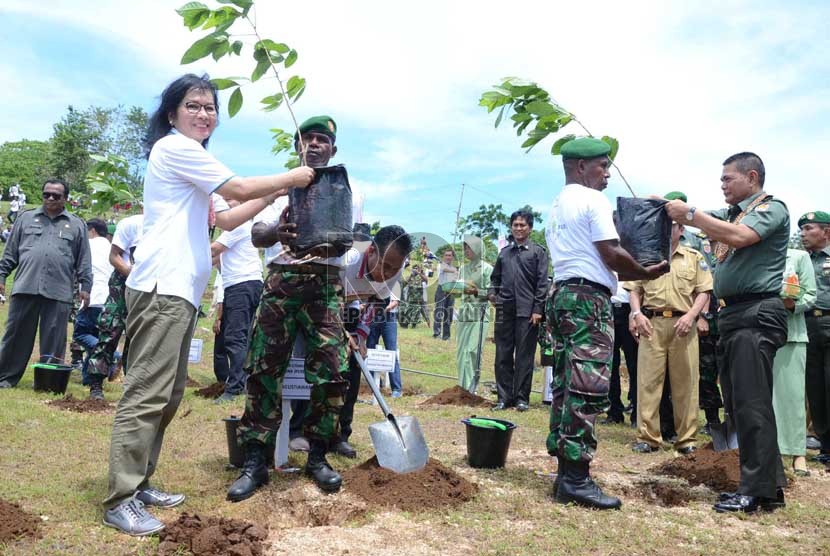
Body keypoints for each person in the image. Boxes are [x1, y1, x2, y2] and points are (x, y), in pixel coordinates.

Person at [102, 73, 313, 536]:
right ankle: (121, 497)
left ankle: (139, 483)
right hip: (162, 285)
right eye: (193, 105)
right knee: (147, 394)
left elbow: (227, 216)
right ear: (173, 113)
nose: (203, 113)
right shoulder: (174, 148)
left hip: (180, 292)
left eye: (210, 107)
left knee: (168, 394)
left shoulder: (196, 161)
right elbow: (237, 189)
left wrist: (275, 194)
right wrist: (292, 176)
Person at [228, 115, 350, 503]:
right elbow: (255, 234)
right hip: (282, 283)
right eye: (307, 139)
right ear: (299, 145)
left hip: (326, 285)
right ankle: (255, 460)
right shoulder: (282, 185)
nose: (314, 145)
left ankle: (317, 456)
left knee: (332, 371)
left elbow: (349, 239)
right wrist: (279, 233)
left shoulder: (346, 188)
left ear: (333, 148)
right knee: (264, 368)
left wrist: (330, 243)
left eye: (322, 140)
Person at [544, 137, 667, 510]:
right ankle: (577, 480)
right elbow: (611, 254)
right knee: (588, 387)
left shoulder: (558, 203)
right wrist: (645, 271)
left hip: (563, 294)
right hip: (587, 300)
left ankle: (567, 474)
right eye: (602, 165)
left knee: (566, 385)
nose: (608, 173)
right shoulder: (591, 199)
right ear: (581, 167)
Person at [665, 151, 789, 513]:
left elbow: (737, 236)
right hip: (733, 315)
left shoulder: (771, 208)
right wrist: (667, 205)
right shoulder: (733, 213)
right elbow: (705, 221)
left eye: (727, 179)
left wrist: (688, 214)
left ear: (751, 177)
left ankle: (755, 489)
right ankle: (768, 487)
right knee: (739, 404)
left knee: (752, 405)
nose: (722, 185)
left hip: (757, 312)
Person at [626, 222, 713, 454]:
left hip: (683, 325)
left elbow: (704, 290)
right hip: (651, 324)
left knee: (686, 383)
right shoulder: (647, 256)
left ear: (681, 229)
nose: (668, 229)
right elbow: (634, 289)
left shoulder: (693, 257)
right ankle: (648, 438)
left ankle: (686, 440)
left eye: (673, 225)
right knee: (648, 382)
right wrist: (636, 314)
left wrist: (693, 316)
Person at [0, 179, 92, 388]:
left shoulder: (77, 225)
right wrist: (2, 276)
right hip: (26, 286)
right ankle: (5, 378)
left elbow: (84, 260)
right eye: (46, 194)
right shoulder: (25, 218)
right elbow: (10, 253)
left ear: (65, 199)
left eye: (56, 195)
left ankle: (48, 383)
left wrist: (85, 287)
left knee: (53, 340)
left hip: (58, 290)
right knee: (15, 336)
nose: (50, 198)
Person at [336, 226, 411, 458]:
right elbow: (324, 299)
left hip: (353, 308)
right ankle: (308, 432)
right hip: (324, 304)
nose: (387, 274)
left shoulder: (395, 270)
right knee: (326, 366)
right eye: (384, 266)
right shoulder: (345, 259)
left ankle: (341, 436)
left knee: (352, 369)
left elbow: (379, 302)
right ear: (370, 252)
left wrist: (360, 333)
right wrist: (340, 332)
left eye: (394, 269)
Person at [488, 209, 549, 411]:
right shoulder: (504, 253)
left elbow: (542, 283)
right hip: (504, 310)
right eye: (515, 225)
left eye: (522, 225)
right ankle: (504, 398)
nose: (518, 228)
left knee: (524, 356)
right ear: (511, 227)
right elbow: (494, 279)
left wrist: (538, 309)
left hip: (528, 312)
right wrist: (492, 293)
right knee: (502, 354)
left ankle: (522, 398)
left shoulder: (537, 252)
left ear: (530, 228)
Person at [210, 205, 265, 403]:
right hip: (245, 284)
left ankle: (234, 388)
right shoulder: (239, 229)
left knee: (235, 337)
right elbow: (216, 257)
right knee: (243, 337)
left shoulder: (238, 226)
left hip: (241, 285)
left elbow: (213, 250)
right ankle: (243, 381)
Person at [772, 248, 816, 476]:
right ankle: (768, 451)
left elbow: (810, 294)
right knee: (758, 398)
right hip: (754, 331)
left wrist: (791, 304)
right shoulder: (749, 253)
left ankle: (797, 453)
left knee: (792, 397)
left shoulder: (798, 257)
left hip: (790, 332)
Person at [86, 214, 143, 389]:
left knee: (139, 339)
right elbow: (114, 256)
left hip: (150, 289)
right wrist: (131, 274)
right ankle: (95, 385)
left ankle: (133, 388)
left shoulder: (170, 226)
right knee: (109, 332)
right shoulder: (131, 223)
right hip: (122, 284)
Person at [800, 211, 830, 463]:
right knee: (815, 388)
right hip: (807, 324)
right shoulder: (802, 260)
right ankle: (825, 445)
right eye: (801, 229)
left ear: (826, 232)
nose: (803, 233)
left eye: (808, 228)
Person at [73, 218, 114, 397]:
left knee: (80, 334)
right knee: (96, 335)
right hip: (109, 299)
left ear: (92, 230)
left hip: (92, 297)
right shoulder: (111, 247)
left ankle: (113, 353)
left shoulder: (89, 246)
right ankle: (88, 378)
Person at [455, 235, 493, 392]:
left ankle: (471, 388)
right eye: (464, 248)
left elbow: (492, 292)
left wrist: (478, 291)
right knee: (461, 350)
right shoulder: (463, 269)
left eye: (468, 248)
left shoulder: (487, 269)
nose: (466, 251)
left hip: (480, 312)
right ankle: (462, 386)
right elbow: (458, 289)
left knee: (472, 350)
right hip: (464, 312)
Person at [605, 282, 638, 425]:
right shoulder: (606, 259)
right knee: (610, 364)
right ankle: (614, 411)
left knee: (635, 365)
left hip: (630, 309)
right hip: (608, 307)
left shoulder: (635, 260)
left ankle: (637, 413)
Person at [433, 249, 458, 340]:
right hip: (441, 289)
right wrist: (454, 272)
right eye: (446, 255)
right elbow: (444, 269)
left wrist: (455, 274)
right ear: (444, 257)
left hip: (451, 291)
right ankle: (437, 334)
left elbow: (455, 279)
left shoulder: (454, 268)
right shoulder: (441, 265)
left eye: (450, 255)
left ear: (452, 257)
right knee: (439, 312)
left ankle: (446, 336)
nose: (448, 257)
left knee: (449, 313)